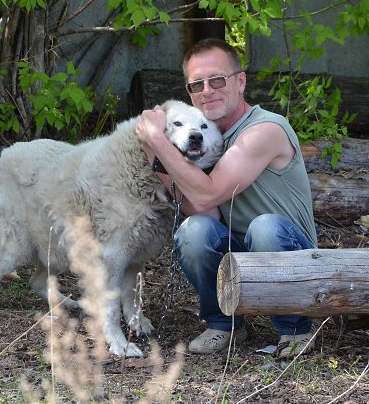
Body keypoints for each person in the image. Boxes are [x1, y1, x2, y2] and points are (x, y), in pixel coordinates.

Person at [136, 38, 318, 358]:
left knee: (265, 228)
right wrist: (154, 152)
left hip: (297, 260)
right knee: (194, 230)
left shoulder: (264, 129)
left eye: (217, 79)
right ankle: (225, 324)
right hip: (241, 253)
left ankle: (296, 329)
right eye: (197, 84)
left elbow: (206, 193)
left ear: (241, 81)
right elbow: (198, 206)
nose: (207, 90)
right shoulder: (207, 138)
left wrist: (158, 141)